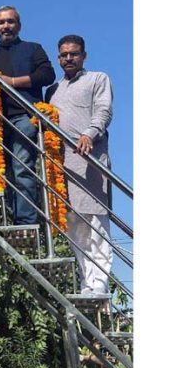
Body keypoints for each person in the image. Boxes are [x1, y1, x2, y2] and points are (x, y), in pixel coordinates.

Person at [0, 6, 55, 225]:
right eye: (1, 23)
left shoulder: (33, 49)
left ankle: (26, 223)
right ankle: (8, 220)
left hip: (25, 117)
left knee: (21, 169)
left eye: (10, 21)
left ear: (19, 25)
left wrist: (12, 83)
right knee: (2, 173)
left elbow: (47, 74)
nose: (6, 26)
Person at [45, 34, 113, 295]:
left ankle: (100, 282)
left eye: (73, 54)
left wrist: (89, 133)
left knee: (96, 223)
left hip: (91, 160)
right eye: (63, 54)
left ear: (84, 55)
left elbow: (104, 111)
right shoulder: (53, 90)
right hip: (63, 165)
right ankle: (87, 282)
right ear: (58, 57)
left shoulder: (98, 79)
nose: (68, 58)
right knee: (74, 225)